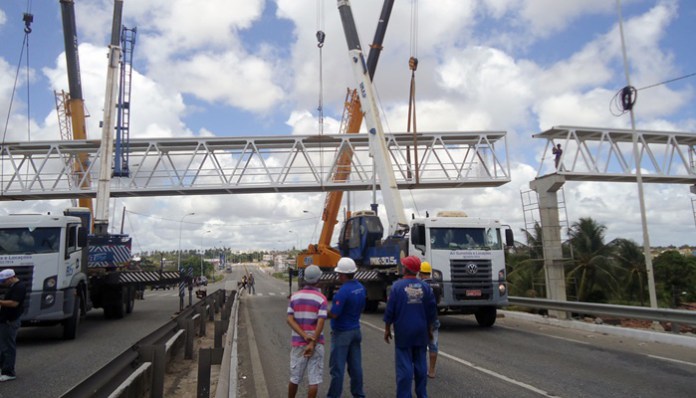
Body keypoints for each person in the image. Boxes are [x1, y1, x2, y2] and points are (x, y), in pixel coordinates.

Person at [383, 256, 437, 398]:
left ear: (406, 268)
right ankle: (422, 394)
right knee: (420, 365)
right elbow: (431, 311)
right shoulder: (426, 287)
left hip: (403, 332)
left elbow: (390, 311)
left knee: (404, 367)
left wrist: (387, 329)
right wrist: (430, 330)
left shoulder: (397, 287)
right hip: (421, 332)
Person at [327, 257, 366, 398]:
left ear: (343, 275)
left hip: (342, 332)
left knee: (337, 368)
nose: (338, 276)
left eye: (339, 274)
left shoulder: (343, 291)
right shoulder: (361, 288)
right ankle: (359, 394)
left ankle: (333, 395)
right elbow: (362, 307)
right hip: (356, 330)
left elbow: (334, 314)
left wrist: (322, 313)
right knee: (355, 367)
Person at [287, 265, 328, 398]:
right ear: (318, 279)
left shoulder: (294, 297)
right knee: (314, 380)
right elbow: (321, 321)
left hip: (298, 343)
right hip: (316, 343)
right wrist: (312, 340)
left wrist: (304, 336)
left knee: (295, 378)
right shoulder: (321, 298)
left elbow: (289, 320)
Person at [0, 269, 26, 382]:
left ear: (11, 278)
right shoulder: (12, 286)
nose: (2, 283)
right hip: (5, 320)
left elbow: (14, 303)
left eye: (4, 281)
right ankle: (3, 368)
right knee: (3, 346)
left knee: (8, 347)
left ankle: (9, 372)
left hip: (10, 321)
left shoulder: (19, 287)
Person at [418, 262, 441, 379]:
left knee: (420, 346)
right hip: (434, 318)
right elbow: (438, 301)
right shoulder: (437, 284)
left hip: (422, 319)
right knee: (433, 345)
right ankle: (432, 371)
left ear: (421, 273)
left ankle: (420, 368)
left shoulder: (420, 286)